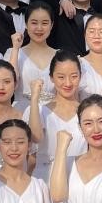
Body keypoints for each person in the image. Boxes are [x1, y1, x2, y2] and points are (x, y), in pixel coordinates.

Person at [29, 51, 86, 193]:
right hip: (46, 179)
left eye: (74, 76)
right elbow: (35, 137)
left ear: (80, 76)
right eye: (61, 77)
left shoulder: (88, 112)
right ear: (51, 78)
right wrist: (34, 100)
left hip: (79, 179)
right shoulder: (39, 110)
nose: (68, 83)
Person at [13, 2, 59, 101]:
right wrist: (15, 49)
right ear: (26, 24)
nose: (39, 28)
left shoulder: (60, 56)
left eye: (44, 23)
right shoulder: (14, 53)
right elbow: (10, 84)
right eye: (34, 23)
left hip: (52, 110)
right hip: (21, 109)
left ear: (51, 25)